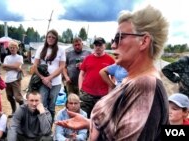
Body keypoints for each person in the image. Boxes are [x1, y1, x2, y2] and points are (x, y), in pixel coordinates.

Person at [56, 5, 169, 140]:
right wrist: (90, 124)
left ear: (144, 41)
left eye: (119, 37)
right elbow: (117, 128)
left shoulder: (145, 86)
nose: (114, 45)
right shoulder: (134, 81)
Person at [33, 29, 66, 121]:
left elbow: (62, 66)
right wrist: (43, 78)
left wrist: (49, 78)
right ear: (46, 38)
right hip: (42, 82)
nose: (51, 39)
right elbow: (35, 65)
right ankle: (43, 125)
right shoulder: (40, 48)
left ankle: (49, 127)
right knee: (42, 104)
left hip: (55, 83)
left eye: (53, 37)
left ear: (56, 39)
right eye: (49, 37)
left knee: (51, 106)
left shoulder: (61, 50)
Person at [78, 37, 115, 118]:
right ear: (93, 46)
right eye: (96, 45)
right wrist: (80, 88)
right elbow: (81, 74)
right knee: (83, 116)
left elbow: (113, 77)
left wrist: (110, 92)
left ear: (104, 46)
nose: (98, 47)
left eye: (100, 45)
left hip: (102, 94)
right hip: (86, 94)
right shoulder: (88, 58)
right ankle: (85, 131)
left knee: (99, 118)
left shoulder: (110, 60)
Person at [2, 40, 24, 118]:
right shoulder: (7, 57)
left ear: (17, 48)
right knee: (9, 96)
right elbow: (4, 67)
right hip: (7, 80)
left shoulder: (20, 57)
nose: (12, 49)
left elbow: (16, 66)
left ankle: (24, 112)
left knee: (18, 97)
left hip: (15, 79)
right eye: (10, 47)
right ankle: (14, 111)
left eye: (14, 47)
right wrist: (15, 67)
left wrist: (8, 66)